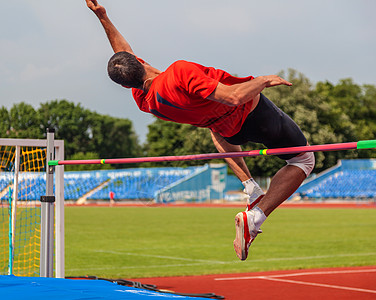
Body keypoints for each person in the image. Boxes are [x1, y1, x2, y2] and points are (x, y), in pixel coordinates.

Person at [86, 0, 315, 261]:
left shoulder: (145, 101)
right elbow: (233, 97)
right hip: (254, 115)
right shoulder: (178, 73)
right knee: (304, 159)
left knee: (211, 126)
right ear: (139, 63)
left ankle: (250, 186)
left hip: (228, 132)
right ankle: (256, 216)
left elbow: (123, 54)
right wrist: (261, 80)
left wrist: (102, 16)